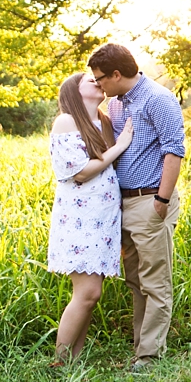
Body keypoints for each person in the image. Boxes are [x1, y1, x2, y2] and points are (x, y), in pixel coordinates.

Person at [87, 43, 185, 372]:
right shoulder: (116, 104)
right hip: (124, 203)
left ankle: (149, 357)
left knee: (155, 282)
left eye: (100, 78)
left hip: (150, 200)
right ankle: (140, 345)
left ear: (116, 74)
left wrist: (161, 201)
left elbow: (174, 151)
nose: (97, 84)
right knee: (135, 281)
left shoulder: (158, 98)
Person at [48, 72, 134, 366]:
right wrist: (120, 145)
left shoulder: (105, 121)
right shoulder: (66, 121)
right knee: (87, 293)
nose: (97, 80)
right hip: (79, 219)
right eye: (88, 79)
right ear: (74, 91)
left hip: (103, 219)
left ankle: (73, 361)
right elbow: (81, 171)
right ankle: (59, 362)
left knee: (91, 295)